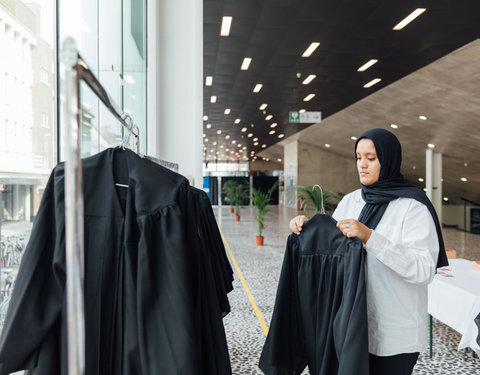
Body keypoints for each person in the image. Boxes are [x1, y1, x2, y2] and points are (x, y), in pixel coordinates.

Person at [289, 128, 448, 375]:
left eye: (371, 158)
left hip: (393, 334)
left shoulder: (413, 207)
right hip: (350, 326)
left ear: (389, 159)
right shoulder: (351, 201)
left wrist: (370, 237)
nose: (362, 165)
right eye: (358, 157)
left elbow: (423, 269)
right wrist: (304, 230)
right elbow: (334, 253)